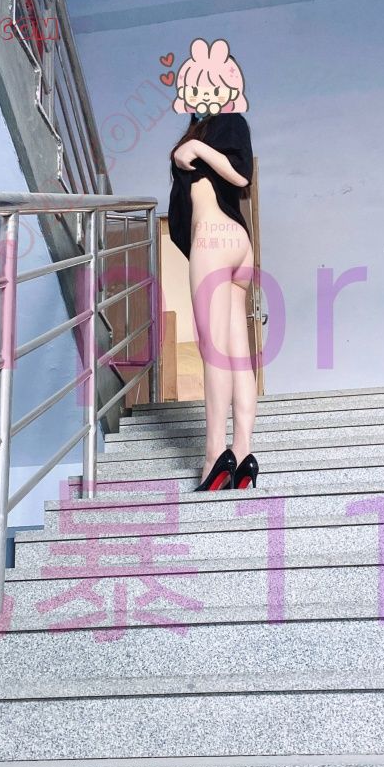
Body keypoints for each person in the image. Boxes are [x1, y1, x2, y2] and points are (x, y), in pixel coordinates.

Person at [167, 38, 260, 492]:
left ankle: (212, 457)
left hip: (215, 237)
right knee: (236, 351)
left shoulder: (226, 123)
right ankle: (242, 456)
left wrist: (196, 151)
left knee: (213, 351)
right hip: (237, 242)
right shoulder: (214, 126)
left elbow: (242, 175)